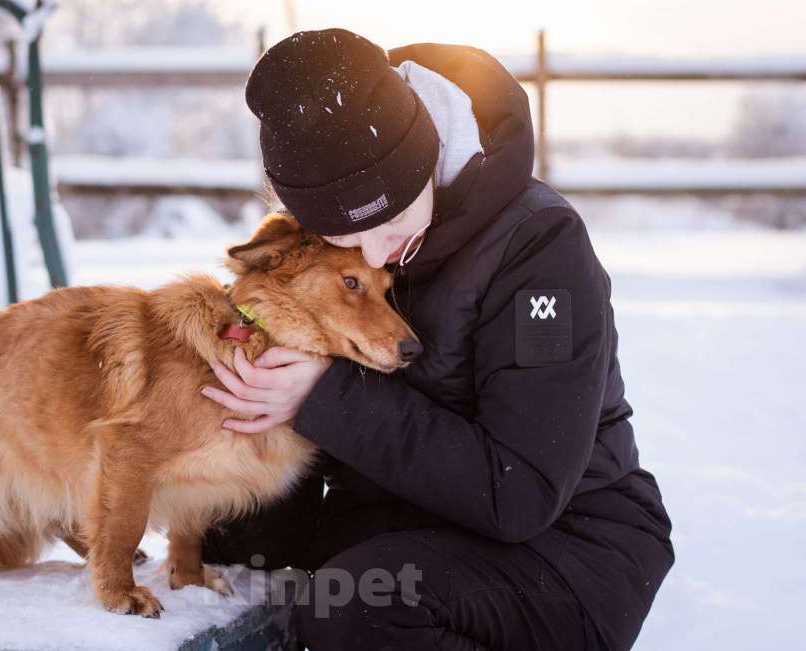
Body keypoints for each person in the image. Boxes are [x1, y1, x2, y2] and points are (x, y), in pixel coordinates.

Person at [199, 28, 674, 651]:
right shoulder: (356, 247)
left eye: (386, 219)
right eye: (344, 239)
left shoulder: (540, 250)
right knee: (233, 546)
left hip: (568, 545)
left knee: (358, 606)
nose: (375, 252)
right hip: (400, 525)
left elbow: (521, 491)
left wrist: (322, 397)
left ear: (421, 159)